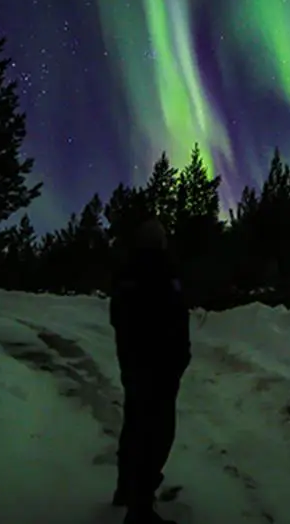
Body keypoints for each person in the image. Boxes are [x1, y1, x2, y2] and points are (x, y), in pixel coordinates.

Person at [109, 217, 191, 524]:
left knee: (135, 427)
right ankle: (140, 508)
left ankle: (126, 490)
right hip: (158, 368)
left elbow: (119, 319)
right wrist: (177, 357)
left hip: (136, 365)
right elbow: (170, 321)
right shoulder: (159, 273)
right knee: (155, 434)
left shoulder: (127, 273)